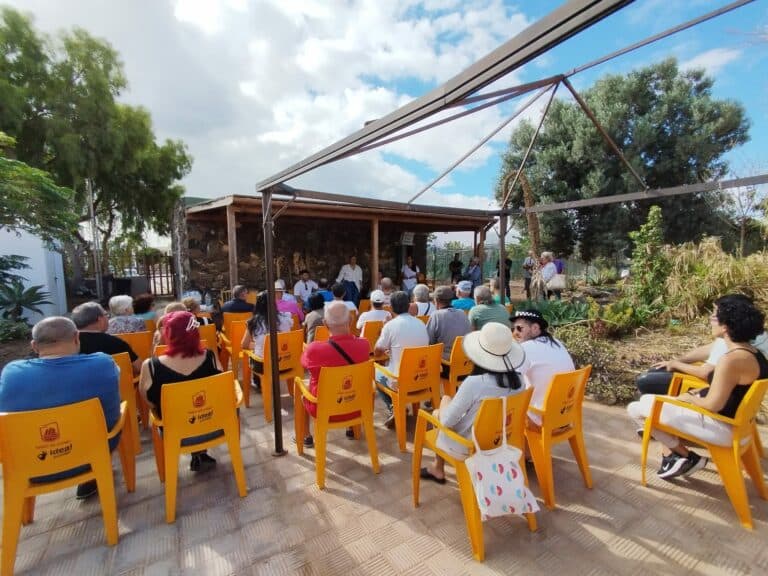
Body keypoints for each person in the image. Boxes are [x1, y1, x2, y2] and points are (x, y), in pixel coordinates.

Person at [628, 295, 768, 480]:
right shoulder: (754, 354)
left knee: (637, 408)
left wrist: (690, 399)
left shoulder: (731, 360)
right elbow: (730, 392)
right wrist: (696, 393)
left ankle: (685, 456)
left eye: (715, 315)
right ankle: (680, 454)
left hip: (722, 428)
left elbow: (713, 405)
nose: (711, 319)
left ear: (725, 326)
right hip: (738, 427)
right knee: (652, 405)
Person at [0, 316, 120, 500]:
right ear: (76, 337)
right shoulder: (102, 363)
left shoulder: (11, 373)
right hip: (94, 454)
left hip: (28, 463)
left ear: (34, 346)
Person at [420, 322, 526, 484]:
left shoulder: (475, 383)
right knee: (450, 403)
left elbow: (447, 421)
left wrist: (443, 404)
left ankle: (437, 468)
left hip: (470, 446)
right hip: (502, 440)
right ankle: (437, 467)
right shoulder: (519, 381)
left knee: (440, 408)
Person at [139, 311, 223, 472]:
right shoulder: (210, 357)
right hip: (213, 427)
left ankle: (195, 454)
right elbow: (220, 387)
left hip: (176, 433)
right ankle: (200, 452)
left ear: (168, 334)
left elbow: (150, 402)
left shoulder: (151, 367)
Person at [635, 294, 768, 395]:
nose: (711, 317)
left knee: (646, 381)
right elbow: (710, 349)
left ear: (729, 319)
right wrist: (676, 361)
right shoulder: (748, 334)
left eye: (716, 314)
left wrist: (676, 365)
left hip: (719, 390)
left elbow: (706, 373)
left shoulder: (735, 343)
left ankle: (656, 423)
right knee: (657, 371)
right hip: (731, 390)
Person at [299, 301, 371, 446]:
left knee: (301, 390)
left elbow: (304, 364)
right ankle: (351, 428)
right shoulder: (364, 345)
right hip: (356, 406)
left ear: (325, 324)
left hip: (323, 410)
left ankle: (306, 436)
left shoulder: (314, 350)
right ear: (350, 321)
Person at [374, 291, 429, 428]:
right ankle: (398, 406)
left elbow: (377, 351)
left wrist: (383, 329)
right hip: (422, 377)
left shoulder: (390, 326)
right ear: (409, 305)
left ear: (391, 308)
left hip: (400, 381)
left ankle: (394, 406)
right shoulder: (421, 323)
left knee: (375, 372)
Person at [510, 309, 575, 425]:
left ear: (535, 328)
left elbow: (511, 383)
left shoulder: (526, 348)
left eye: (519, 328)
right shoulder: (556, 342)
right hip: (565, 413)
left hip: (541, 417)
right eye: (513, 329)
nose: (515, 333)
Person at [241, 291, 293, 391]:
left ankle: (259, 384)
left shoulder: (253, 322)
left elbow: (244, 345)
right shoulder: (286, 318)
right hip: (287, 363)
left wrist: (258, 346)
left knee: (256, 354)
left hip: (265, 367)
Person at [72, 301, 141, 375]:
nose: (108, 318)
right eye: (106, 315)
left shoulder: (68, 344)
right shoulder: (116, 343)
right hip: (117, 385)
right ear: (100, 319)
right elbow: (138, 367)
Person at [426, 285, 471, 373]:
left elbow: (428, 341)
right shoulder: (462, 313)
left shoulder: (436, 315)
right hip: (465, 363)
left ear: (436, 301)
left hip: (446, 366)